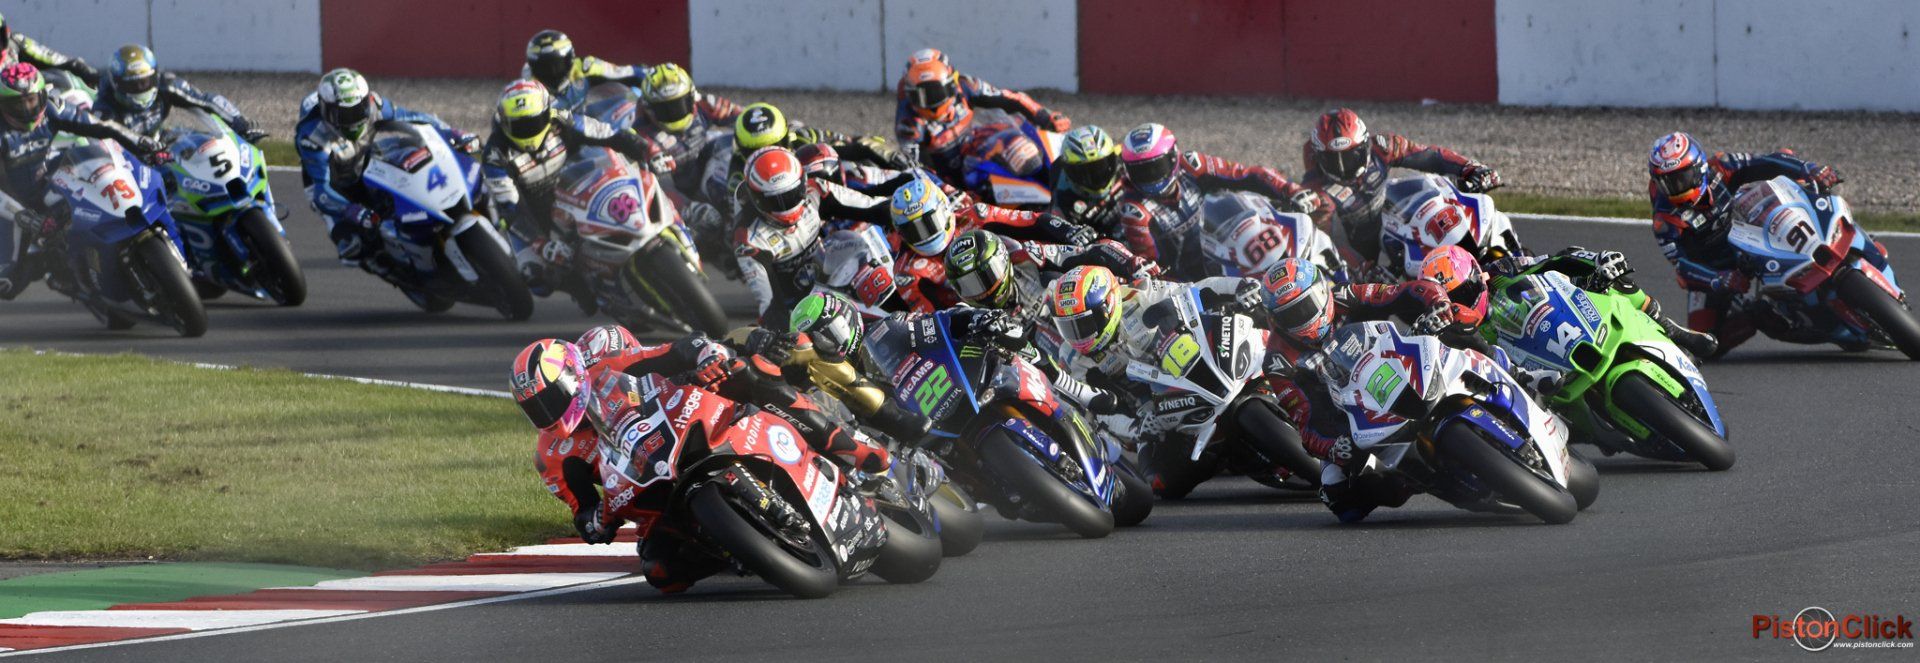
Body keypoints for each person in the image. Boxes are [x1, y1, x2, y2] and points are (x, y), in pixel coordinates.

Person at [515, 325, 890, 593]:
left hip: (687, 427)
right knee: (660, 571)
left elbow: (674, 350)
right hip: (652, 488)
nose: (547, 411)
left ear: (572, 374)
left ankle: (850, 447)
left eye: (550, 397)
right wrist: (594, 523)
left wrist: (706, 355)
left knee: (749, 376)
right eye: (536, 407)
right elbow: (582, 508)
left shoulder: (610, 369)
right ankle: (738, 549)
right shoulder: (553, 455)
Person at [1255, 257, 1469, 520]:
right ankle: (1410, 480)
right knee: (1338, 498)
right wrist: (1333, 447)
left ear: (1321, 292)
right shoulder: (1278, 361)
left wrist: (1438, 302)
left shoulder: (1346, 296)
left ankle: (1509, 371)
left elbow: (1403, 292)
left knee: (1457, 325)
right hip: (1351, 416)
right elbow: (1306, 422)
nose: (1302, 318)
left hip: (1402, 366)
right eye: (1289, 315)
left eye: (1305, 306)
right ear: (1275, 319)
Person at [1041, 265, 1268, 492]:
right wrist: (1136, 428)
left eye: (1083, 324)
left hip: (1198, 362)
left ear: (1107, 307)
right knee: (1160, 482)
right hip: (1155, 411)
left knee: (1260, 322)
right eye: (1068, 327)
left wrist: (1239, 287)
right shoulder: (1072, 358)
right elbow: (1096, 410)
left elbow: (1197, 290)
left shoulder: (1140, 294)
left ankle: (1273, 372)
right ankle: (1221, 455)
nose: (1078, 336)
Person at [1644, 132, 1844, 355]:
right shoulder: (1664, 220)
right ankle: (1762, 315)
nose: (1674, 187)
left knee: (1794, 173)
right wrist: (1716, 279)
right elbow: (1682, 267)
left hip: (1753, 232)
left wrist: (1809, 169)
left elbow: (1769, 161)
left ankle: (1842, 240)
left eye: (1680, 178)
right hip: (1718, 265)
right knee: (1702, 342)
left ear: (1698, 168)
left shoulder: (1721, 166)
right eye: (1666, 182)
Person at [480, 78, 661, 301]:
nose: (528, 131)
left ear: (547, 113)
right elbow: (511, 209)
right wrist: (541, 243)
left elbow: (609, 133)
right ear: (504, 123)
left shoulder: (562, 119)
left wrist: (649, 150)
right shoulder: (494, 156)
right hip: (533, 212)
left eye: (534, 122)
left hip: (578, 185)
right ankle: (583, 291)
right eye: (519, 125)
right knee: (535, 277)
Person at [295, 68, 478, 280]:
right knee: (351, 246)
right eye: (345, 114)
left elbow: (412, 118)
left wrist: (451, 133)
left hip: (364, 158)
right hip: (332, 182)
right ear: (327, 112)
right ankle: (389, 269)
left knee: (404, 165)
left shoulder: (374, 104)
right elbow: (323, 193)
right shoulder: (312, 137)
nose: (355, 118)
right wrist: (352, 210)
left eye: (359, 109)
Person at [0, 63, 163, 299]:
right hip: (13, 205)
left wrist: (140, 141)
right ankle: (53, 269)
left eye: (31, 100)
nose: (26, 110)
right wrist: (23, 215)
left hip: (53, 181)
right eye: (18, 104)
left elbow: (100, 126)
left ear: (42, 96)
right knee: (8, 284)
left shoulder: (53, 107)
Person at [1114, 123, 1326, 278]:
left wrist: (1291, 190)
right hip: (1195, 274)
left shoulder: (1192, 164)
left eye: (1155, 167)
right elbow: (1154, 268)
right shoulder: (1135, 210)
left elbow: (1248, 174)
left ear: (1172, 157)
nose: (1150, 177)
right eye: (1140, 171)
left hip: (1231, 237)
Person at [1298, 108, 1500, 263]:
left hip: (1395, 224)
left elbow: (1429, 156)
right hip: (1361, 253)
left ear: (1364, 145)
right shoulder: (1314, 190)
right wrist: (1361, 268)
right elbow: (1327, 242)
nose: (1343, 169)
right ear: (1319, 157)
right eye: (1333, 160)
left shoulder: (1383, 146)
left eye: (1350, 157)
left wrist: (1469, 168)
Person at [732, 145, 893, 323]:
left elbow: (874, 207)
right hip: (801, 308)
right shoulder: (748, 240)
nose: (787, 207)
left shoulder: (816, 190)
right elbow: (769, 305)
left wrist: (903, 209)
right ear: (757, 200)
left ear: (802, 182)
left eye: (792, 194)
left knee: (852, 241)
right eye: (775, 201)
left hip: (830, 272)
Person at [1482, 245, 1719, 359]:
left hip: (1564, 313)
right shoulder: (1468, 337)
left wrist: (1598, 259)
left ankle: (1668, 327)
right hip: (1538, 368)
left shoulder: (1498, 272)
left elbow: (1555, 260)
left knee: (1606, 274)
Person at [893, 48, 1070, 179]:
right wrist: (950, 191)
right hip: (953, 181)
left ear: (950, 84)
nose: (930, 102)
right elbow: (918, 169)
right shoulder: (909, 125)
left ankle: (1051, 178)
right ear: (909, 94)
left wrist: (1044, 116)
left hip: (977, 145)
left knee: (1012, 140)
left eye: (935, 92)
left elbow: (1010, 98)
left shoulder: (966, 86)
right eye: (920, 96)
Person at [724, 102, 912, 214]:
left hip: (831, 196)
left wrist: (888, 155)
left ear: (786, 137)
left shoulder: (803, 136)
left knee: (849, 161)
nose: (768, 156)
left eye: (774, 145)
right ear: (741, 150)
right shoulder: (738, 176)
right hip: (790, 223)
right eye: (755, 150)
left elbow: (851, 143)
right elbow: (737, 220)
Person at [91, 44, 261, 141]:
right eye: (132, 85)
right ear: (117, 85)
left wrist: (240, 123)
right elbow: (103, 144)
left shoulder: (166, 85)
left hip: (158, 141)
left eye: (144, 82)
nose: (140, 88)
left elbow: (205, 100)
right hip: (127, 161)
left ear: (154, 76)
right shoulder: (105, 107)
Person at [521, 29, 648, 109]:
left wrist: (649, 77)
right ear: (533, 67)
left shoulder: (585, 66)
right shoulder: (529, 87)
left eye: (557, 65)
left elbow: (626, 72)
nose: (553, 72)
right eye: (544, 68)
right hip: (559, 134)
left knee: (631, 93)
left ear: (570, 58)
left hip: (592, 118)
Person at [1051, 124, 1126, 237]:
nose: (1096, 176)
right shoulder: (1064, 202)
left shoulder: (1124, 159)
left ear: (1113, 159)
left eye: (1101, 167)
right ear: (1069, 173)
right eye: (1084, 172)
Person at [0, 12, 100, 85]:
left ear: (5, 33)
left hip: (34, 101)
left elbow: (59, 60)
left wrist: (85, 71)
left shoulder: (17, 41)